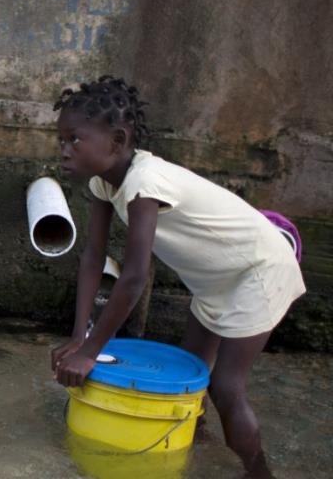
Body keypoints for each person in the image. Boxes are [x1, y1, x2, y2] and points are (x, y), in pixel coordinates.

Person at [49, 76, 305, 478]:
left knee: (224, 386)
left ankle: (259, 472)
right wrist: (80, 337)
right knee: (190, 372)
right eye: (62, 140)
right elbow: (93, 257)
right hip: (216, 281)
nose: (64, 150)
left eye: (75, 140)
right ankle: (189, 448)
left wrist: (90, 353)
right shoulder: (104, 182)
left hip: (258, 272)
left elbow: (134, 277)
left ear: (117, 141)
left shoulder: (145, 182)